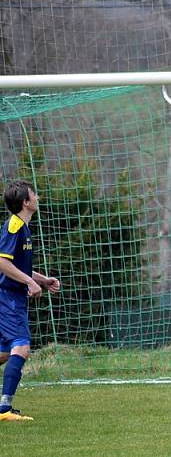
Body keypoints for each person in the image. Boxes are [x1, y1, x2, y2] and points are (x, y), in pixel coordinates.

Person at [0, 181, 60, 422]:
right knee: (21, 347)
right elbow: (2, 263)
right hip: (8, 298)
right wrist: (29, 283)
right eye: (33, 194)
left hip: (12, 297)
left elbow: (15, 265)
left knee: (5, 353)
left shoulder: (24, 227)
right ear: (25, 202)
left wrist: (41, 280)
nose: (37, 196)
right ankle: (4, 409)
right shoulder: (14, 225)